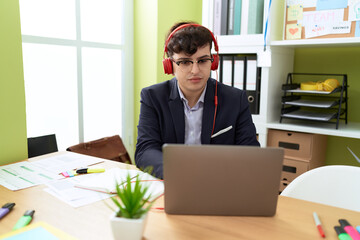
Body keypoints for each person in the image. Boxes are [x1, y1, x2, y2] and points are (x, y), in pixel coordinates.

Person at [135, 21, 260, 179]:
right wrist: (178, 173)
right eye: (185, 62)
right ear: (169, 65)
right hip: (173, 182)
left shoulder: (236, 99)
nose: (195, 70)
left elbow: (251, 153)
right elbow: (145, 151)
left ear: (213, 62)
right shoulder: (152, 97)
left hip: (219, 183)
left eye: (202, 61)